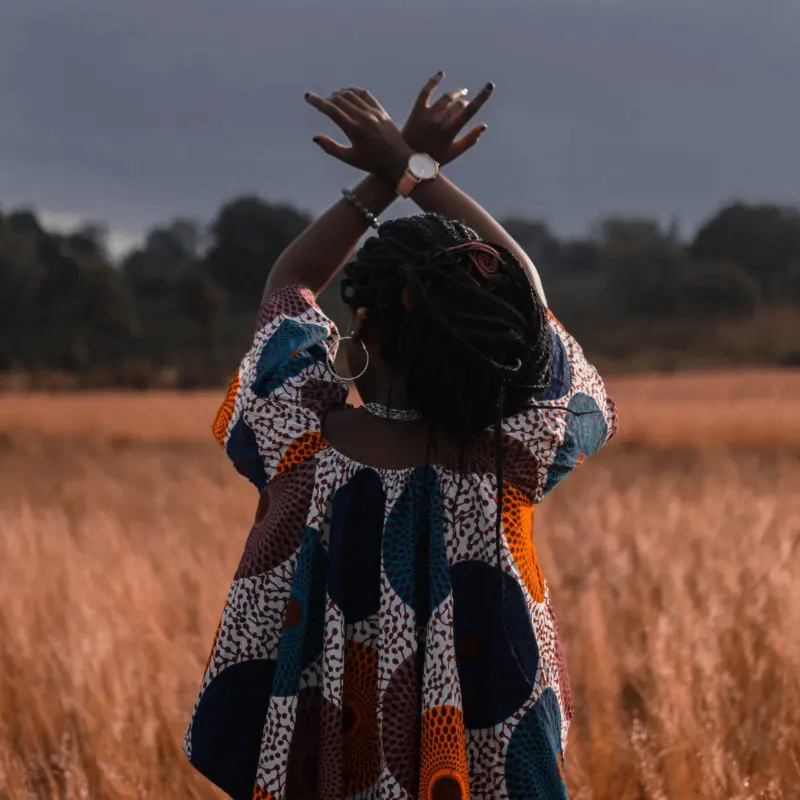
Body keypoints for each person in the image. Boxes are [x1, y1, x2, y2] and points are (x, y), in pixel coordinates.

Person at [184, 73, 618, 800]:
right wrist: (417, 172)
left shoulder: (301, 441)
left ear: (366, 331)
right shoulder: (511, 455)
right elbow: (530, 302)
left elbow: (289, 282)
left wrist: (382, 183)